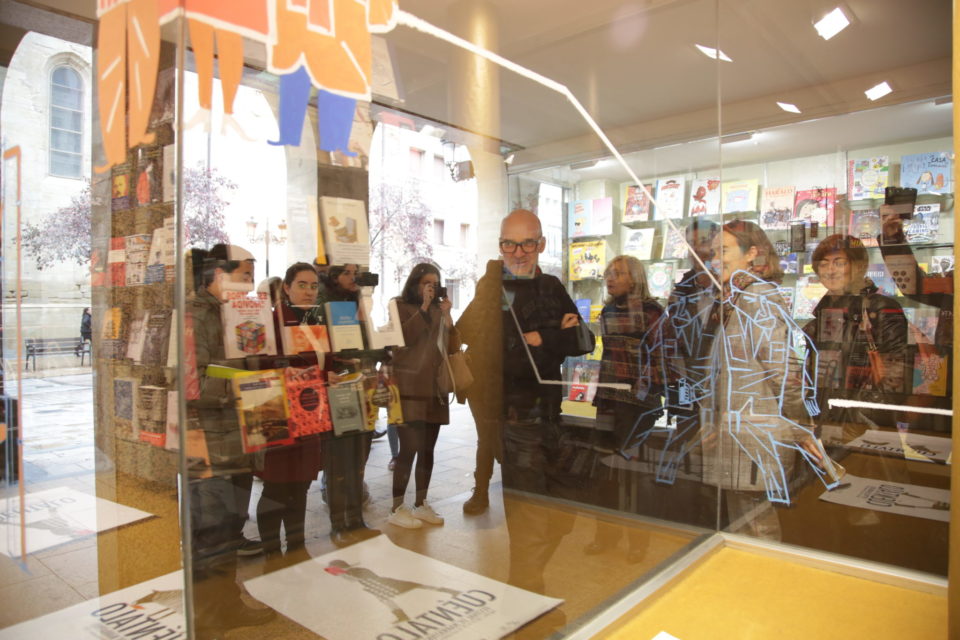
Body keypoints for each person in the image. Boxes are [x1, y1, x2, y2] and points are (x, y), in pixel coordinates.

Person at [457, 209, 594, 595]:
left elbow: (585, 341)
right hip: (512, 418)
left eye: (527, 243)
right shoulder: (491, 288)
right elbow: (467, 334)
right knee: (529, 514)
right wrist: (532, 333)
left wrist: (544, 337)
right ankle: (525, 591)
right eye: (508, 244)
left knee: (562, 511)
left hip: (551, 416)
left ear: (541, 245)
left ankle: (526, 585)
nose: (517, 253)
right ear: (500, 245)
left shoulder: (551, 287)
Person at [704, 220, 836, 540]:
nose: (714, 259)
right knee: (746, 524)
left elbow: (784, 371)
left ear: (752, 254)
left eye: (723, 250)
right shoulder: (737, 298)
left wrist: (800, 422)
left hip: (756, 435)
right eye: (712, 252)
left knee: (758, 526)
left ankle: (770, 585)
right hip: (742, 433)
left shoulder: (757, 298)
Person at [187, 244, 274, 639]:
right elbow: (190, 382)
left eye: (252, 274)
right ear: (217, 275)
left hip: (241, 435)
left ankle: (226, 602)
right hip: (210, 441)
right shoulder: (193, 314)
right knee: (212, 529)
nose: (249, 283)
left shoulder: (237, 312)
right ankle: (208, 614)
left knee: (232, 524)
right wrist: (241, 378)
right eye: (243, 274)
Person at [584, 255, 666, 562]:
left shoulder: (652, 312)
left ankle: (637, 542)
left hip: (638, 406)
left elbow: (663, 357)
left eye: (618, 273)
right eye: (608, 273)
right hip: (608, 399)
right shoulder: (607, 310)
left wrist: (651, 392)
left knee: (634, 475)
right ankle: (605, 535)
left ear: (634, 277)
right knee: (604, 471)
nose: (610, 278)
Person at [256, 263, 325, 571]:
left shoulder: (317, 321)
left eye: (313, 286)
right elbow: (258, 364)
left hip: (311, 411)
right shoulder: (271, 320)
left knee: (301, 483)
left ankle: (296, 546)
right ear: (286, 288)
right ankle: (272, 551)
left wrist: (336, 375)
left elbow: (330, 363)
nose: (309, 291)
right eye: (302, 285)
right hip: (278, 410)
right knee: (276, 485)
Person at [804, 235, 907, 437]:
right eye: (823, 264)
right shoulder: (821, 315)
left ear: (858, 266)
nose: (830, 271)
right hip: (824, 423)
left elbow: (895, 376)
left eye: (839, 263)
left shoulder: (881, 309)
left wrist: (861, 419)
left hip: (865, 431)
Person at [387, 263, 461, 529]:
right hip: (408, 388)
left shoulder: (439, 311)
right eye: (426, 282)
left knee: (428, 449)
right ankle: (396, 508)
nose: (431, 287)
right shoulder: (399, 305)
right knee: (408, 450)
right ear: (415, 283)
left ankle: (421, 503)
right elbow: (401, 340)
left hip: (434, 388)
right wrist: (422, 309)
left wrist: (448, 319)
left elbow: (452, 347)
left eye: (435, 282)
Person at [316, 263, 378, 546]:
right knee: (339, 461)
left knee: (358, 456)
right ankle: (339, 523)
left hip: (361, 386)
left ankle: (356, 521)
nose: (353, 279)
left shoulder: (359, 303)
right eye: (346, 274)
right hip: (336, 388)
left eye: (356, 273)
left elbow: (371, 346)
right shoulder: (322, 307)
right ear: (332, 277)